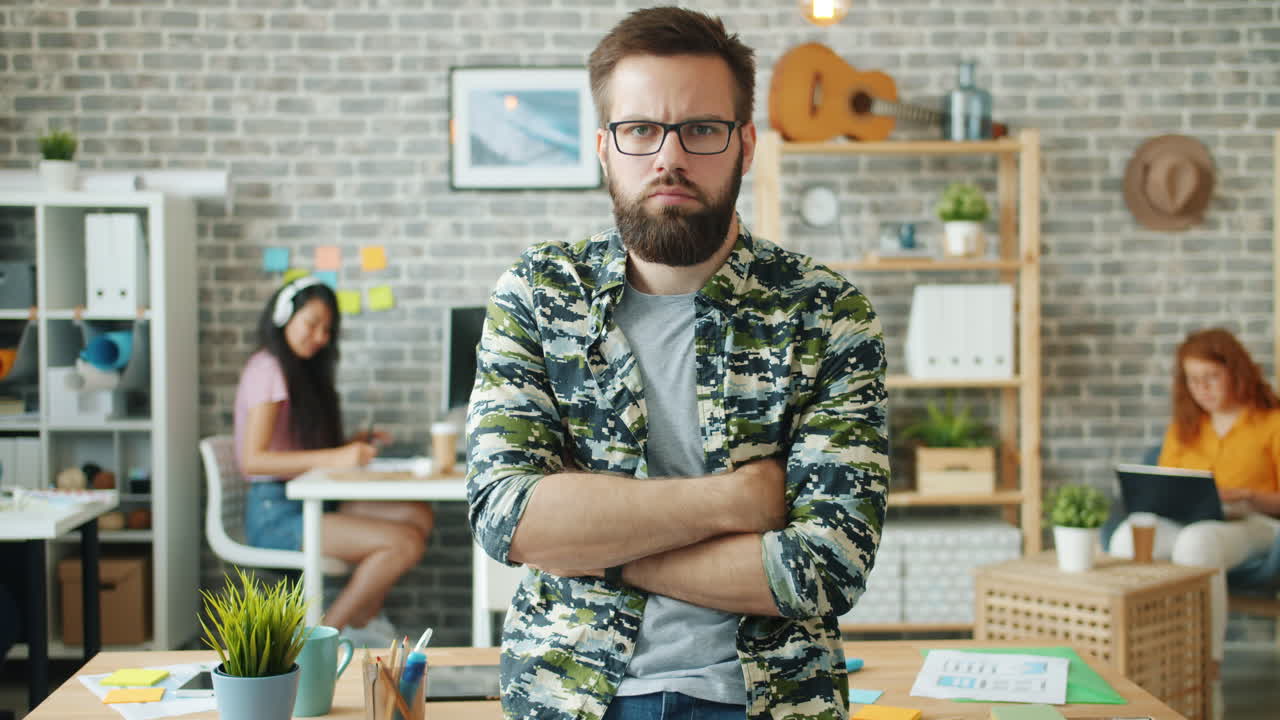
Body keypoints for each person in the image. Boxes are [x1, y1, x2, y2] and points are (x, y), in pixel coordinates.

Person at [465, 7, 888, 720]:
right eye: (640, 130)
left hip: (771, 701)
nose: (669, 158)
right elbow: (509, 517)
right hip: (569, 697)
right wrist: (734, 503)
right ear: (604, 146)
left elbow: (826, 567)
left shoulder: (827, 315)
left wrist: (589, 545)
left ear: (745, 144)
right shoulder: (538, 294)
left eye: (701, 129)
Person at [235, 276, 434, 648]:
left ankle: (362, 616)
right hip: (276, 513)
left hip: (305, 501)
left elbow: (292, 450)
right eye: (312, 324)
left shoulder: (296, 370)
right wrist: (337, 456)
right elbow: (254, 460)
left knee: (419, 516)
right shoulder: (268, 369)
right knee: (402, 544)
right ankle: (322, 639)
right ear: (284, 317)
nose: (321, 336)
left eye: (328, 329)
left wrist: (349, 444)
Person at [1109, 328, 1280, 669]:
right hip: (1189, 519)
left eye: (1212, 377)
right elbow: (1166, 485)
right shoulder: (1184, 427)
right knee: (1127, 539)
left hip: (1255, 524)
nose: (1202, 388)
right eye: (1193, 379)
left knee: (1198, 543)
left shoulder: (1271, 423)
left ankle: (1202, 664)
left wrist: (1248, 495)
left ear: (1237, 371)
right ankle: (1140, 655)